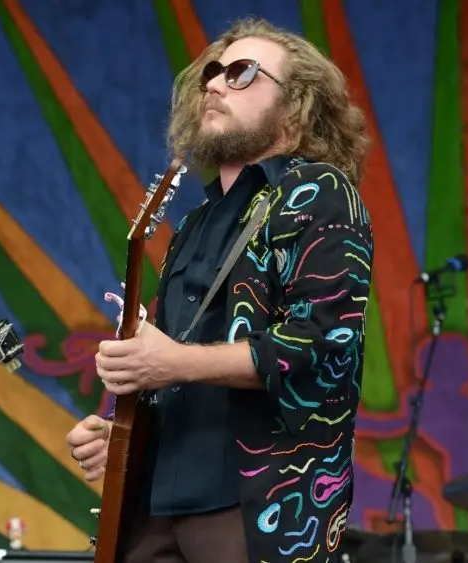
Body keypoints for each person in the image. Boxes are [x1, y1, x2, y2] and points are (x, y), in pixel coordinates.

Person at [67, 18, 372, 563]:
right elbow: (175, 369)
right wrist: (124, 434)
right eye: (211, 73)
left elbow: (319, 346)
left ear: (298, 105)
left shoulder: (321, 194)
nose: (214, 83)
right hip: (158, 506)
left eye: (242, 73)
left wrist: (174, 362)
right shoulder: (195, 223)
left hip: (255, 507)